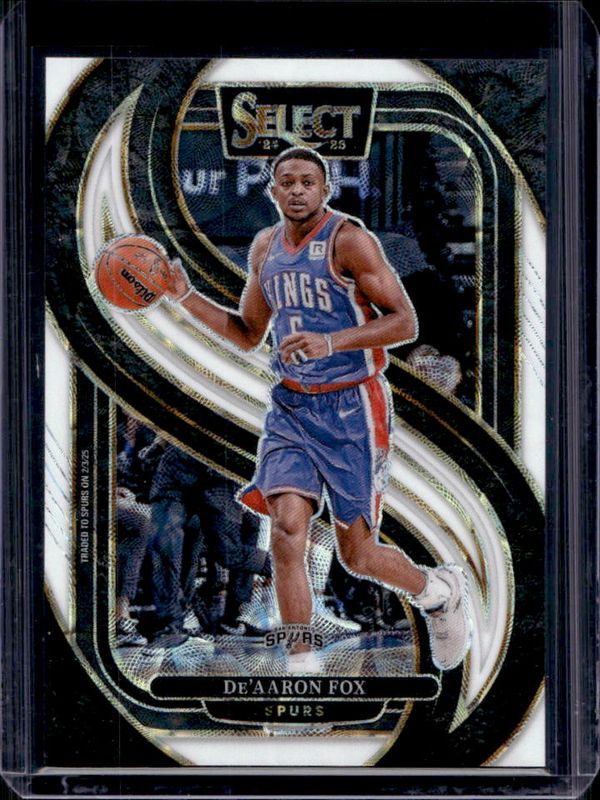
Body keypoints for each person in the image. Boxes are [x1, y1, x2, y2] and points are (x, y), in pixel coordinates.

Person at [165, 146, 472, 671]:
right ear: (273, 191)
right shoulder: (264, 247)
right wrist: (185, 297)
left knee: (358, 556)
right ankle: (300, 661)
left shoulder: (350, 240)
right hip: (291, 408)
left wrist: (331, 343)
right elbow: (247, 333)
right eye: (287, 181)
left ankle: (439, 591)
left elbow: (405, 323)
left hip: (353, 405)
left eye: (308, 181)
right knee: (287, 530)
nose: (298, 190)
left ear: (325, 190)